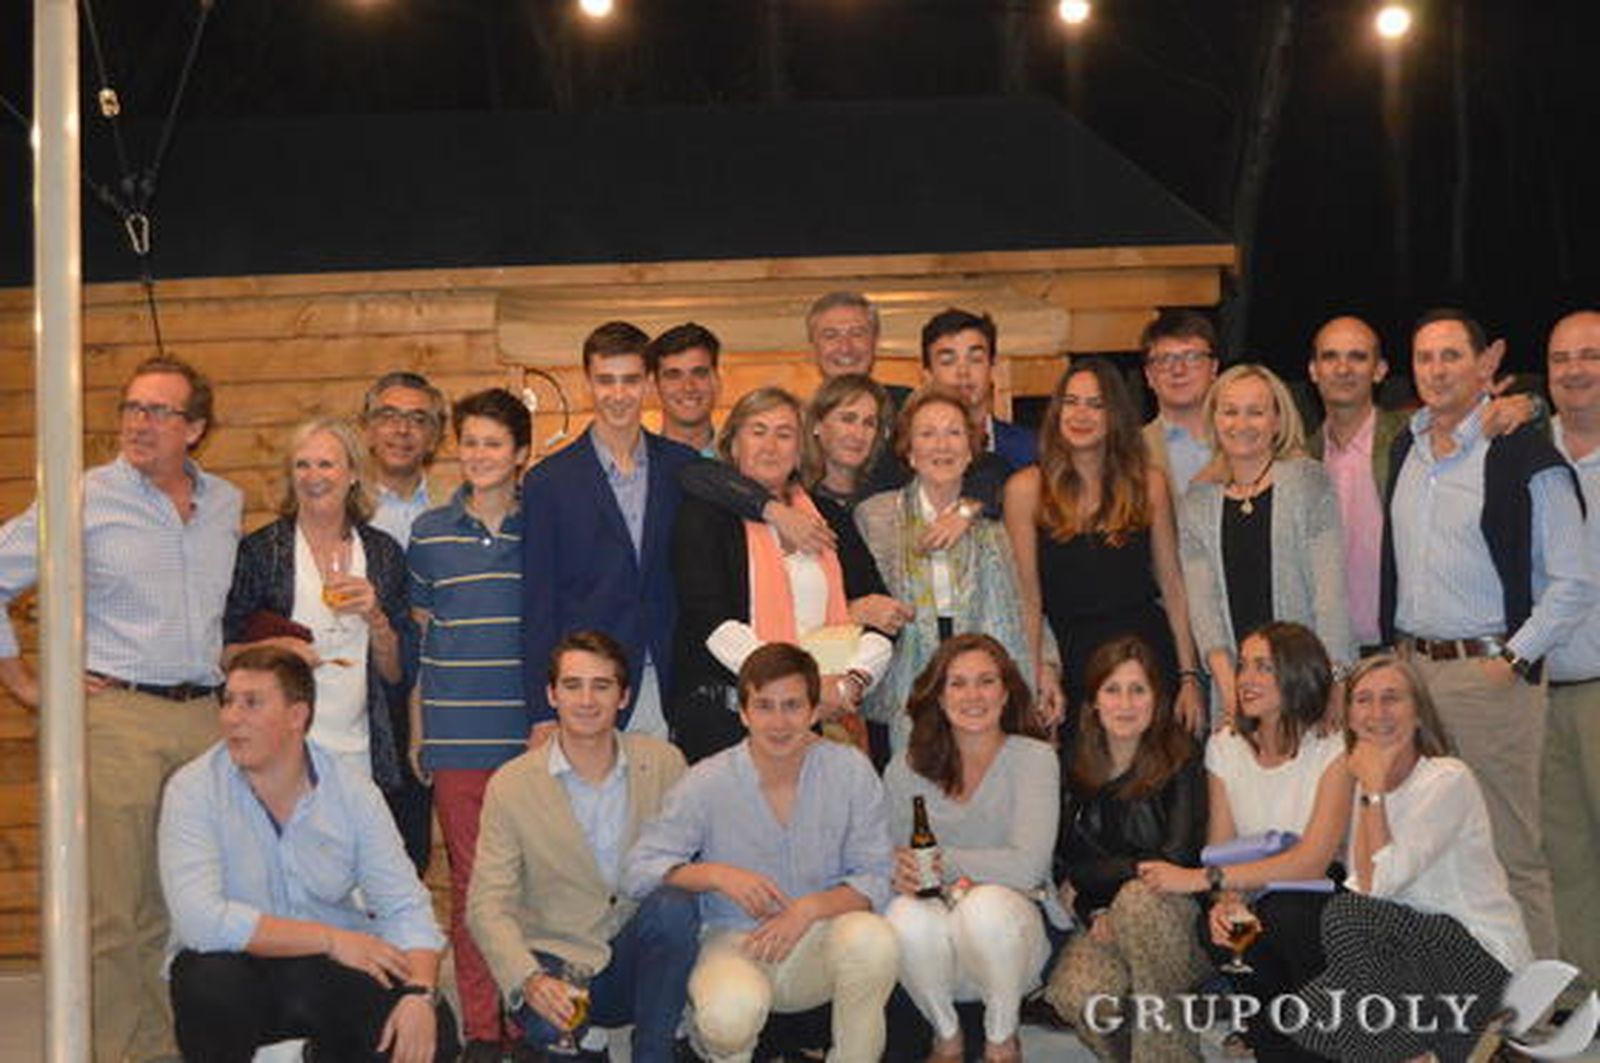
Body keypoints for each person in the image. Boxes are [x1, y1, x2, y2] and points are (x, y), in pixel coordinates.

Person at [0, 356, 242, 1063]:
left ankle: (172, 1042)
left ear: (195, 428)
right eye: (132, 407)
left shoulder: (226, 501)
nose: (140, 423)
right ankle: (115, 1050)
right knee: (116, 907)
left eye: (160, 411)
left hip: (204, 716)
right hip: (116, 717)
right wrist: (24, 681)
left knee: (189, 898)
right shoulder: (83, 497)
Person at [1380, 307, 1592, 958]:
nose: (1437, 369)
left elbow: (1574, 581)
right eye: (1424, 356)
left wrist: (1513, 658)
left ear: (1484, 364)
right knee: (1420, 844)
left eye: (1451, 355)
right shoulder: (1405, 447)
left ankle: (1537, 1016)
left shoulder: (1525, 451)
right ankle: (1459, 1006)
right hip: (1412, 673)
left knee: (1510, 848)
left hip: (1487, 677)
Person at [159, 645, 456, 1062]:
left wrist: (420, 995)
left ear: (296, 717)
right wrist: (331, 940)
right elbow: (200, 922)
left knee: (433, 1035)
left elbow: (406, 906)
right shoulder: (192, 790)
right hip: (238, 966)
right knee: (206, 984)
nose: (231, 717)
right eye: (228, 701)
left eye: (252, 703)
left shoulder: (350, 790)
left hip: (326, 971)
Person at [1230, 655, 1533, 1062]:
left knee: (1344, 917)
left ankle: (1449, 1043)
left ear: (1418, 713)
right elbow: (1364, 886)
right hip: (1410, 963)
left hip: (1481, 960)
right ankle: (1432, 1052)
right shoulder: (1366, 791)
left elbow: (1376, 890)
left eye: (1392, 699)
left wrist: (1373, 786)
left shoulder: (1446, 778)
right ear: (1350, 714)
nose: (1377, 713)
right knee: (1305, 1015)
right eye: (1364, 700)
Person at [623, 643, 900, 1063]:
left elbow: (877, 876)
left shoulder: (850, 771)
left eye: (792, 706)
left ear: (813, 712)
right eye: (764, 706)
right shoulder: (706, 780)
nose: (779, 722)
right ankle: (714, 1041)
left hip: (819, 940)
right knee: (729, 1017)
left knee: (873, 940)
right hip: (734, 940)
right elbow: (639, 869)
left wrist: (807, 910)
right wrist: (716, 874)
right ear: (743, 711)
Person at [467, 631, 697, 1063]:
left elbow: (695, 863)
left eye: (602, 686)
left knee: (675, 904)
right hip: (558, 959)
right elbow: (486, 905)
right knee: (553, 1029)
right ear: (551, 695)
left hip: (635, 952)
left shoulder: (665, 763)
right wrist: (529, 979)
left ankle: (655, 1048)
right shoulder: (511, 784)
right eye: (573, 685)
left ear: (624, 697)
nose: (587, 700)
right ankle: (587, 1042)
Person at [223, 417, 423, 868]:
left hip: (360, 750)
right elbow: (227, 653)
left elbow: (395, 675)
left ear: (353, 473)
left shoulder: (384, 554)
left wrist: (376, 617)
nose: (314, 477)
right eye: (303, 465)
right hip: (285, 746)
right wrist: (275, 652)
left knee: (358, 880)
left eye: (327, 465)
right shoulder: (264, 551)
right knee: (287, 874)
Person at [405, 388, 532, 1057]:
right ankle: (485, 1027)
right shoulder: (428, 532)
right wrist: (419, 729)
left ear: (520, 454)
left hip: (527, 736)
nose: (479, 454)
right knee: (472, 887)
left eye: (494, 443)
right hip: (457, 736)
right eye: (471, 441)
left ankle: (528, 1016)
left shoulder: (541, 524)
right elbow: (424, 640)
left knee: (527, 887)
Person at [670, 387, 893, 761]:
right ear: (734, 444)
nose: (770, 445)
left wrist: (851, 683)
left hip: (824, 716)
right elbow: (708, 618)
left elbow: (880, 615)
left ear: (800, 449)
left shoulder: (829, 517)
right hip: (727, 723)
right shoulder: (704, 515)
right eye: (758, 431)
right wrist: (790, 689)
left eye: (784, 434)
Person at [1304, 316, 1536, 655]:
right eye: (1330, 357)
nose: (1343, 369)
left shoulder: (1412, 440)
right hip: (1322, 648)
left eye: (1357, 356)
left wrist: (1529, 406)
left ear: (1381, 369)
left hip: (1397, 648)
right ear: (1313, 370)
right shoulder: (1300, 458)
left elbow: (1484, 419)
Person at [1005, 357, 1204, 739]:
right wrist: (1034, 678)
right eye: (1072, 401)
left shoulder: (1149, 484)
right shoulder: (1025, 489)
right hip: (1069, 663)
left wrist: (1189, 677)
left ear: (1115, 415)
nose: (1082, 414)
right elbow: (1027, 601)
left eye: (1096, 405)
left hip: (1147, 658)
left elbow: (1173, 587)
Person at [882, 635, 1057, 1063]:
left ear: (1006, 692)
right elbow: (888, 855)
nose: (972, 696)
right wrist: (896, 868)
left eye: (985, 681)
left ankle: (1001, 1040)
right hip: (935, 955)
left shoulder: (1035, 759)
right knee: (902, 914)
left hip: (1011, 942)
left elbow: (1027, 866)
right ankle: (947, 1037)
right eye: (957, 683)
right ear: (939, 697)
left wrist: (938, 862)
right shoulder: (905, 767)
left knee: (984, 906)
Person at [521, 320, 699, 737]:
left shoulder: (683, 467)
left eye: (631, 380)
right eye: (605, 381)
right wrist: (540, 711)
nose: (618, 395)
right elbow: (538, 604)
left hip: (669, 679)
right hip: (588, 689)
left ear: (649, 383)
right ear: (588, 384)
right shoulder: (548, 481)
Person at [855, 387, 1057, 754]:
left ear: (970, 450)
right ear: (910, 452)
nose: (941, 445)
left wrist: (1047, 665)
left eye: (953, 433)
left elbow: (1027, 597)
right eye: (927, 434)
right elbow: (850, 597)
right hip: (906, 680)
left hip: (986, 675)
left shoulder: (997, 520)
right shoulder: (875, 517)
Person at [1042, 636, 1207, 1063]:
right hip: (1103, 921)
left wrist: (1095, 883)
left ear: (1157, 698)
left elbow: (1174, 862)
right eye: (1112, 690)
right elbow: (1062, 862)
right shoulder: (1072, 765)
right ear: (1094, 700)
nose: (1125, 703)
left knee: (1137, 901)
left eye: (1138, 690)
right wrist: (1092, 911)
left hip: (1175, 921)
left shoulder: (1181, 758)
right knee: (1074, 996)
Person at [1180, 363, 1354, 720]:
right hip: (1234, 694)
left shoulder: (1308, 482)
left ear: (1278, 420)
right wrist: (1232, 693)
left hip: (1306, 686)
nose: (1241, 424)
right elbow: (1204, 608)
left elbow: (1330, 595)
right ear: (1214, 418)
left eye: (1256, 412)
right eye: (1229, 411)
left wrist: (1335, 683)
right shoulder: (1196, 501)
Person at [1543, 309, 1600, 992]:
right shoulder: (1528, 450)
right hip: (1542, 689)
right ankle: (1585, 996)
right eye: (1561, 358)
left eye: (1590, 355)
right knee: (1563, 856)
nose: (1576, 370)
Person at [920, 307, 1038, 471]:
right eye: (948, 361)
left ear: (993, 367)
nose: (963, 372)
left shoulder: (1031, 450)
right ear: (927, 376)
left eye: (975, 359)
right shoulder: (910, 452)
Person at [361, 370, 448, 551]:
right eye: (388, 416)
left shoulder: (453, 509)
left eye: (418, 420)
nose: (402, 429)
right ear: (368, 430)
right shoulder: (343, 509)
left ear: (434, 438)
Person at [1140, 309, 1221, 497]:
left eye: (1192, 357)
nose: (1178, 370)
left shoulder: (1249, 437)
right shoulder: (1130, 452)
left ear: (1214, 368)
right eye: (1164, 360)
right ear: (1149, 376)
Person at [649, 321, 723, 456]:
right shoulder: (635, 468)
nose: (688, 387)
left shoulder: (743, 464)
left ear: (716, 381)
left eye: (699, 373)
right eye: (674, 375)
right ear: (655, 387)